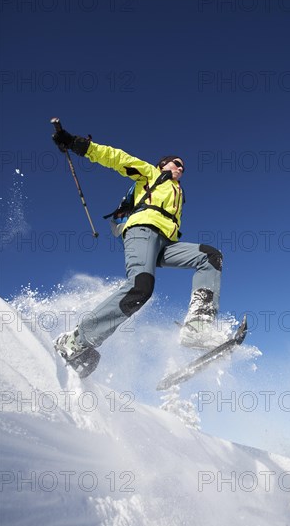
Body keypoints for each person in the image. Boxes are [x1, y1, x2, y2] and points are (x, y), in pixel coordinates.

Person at [52, 127, 223, 361]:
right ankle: (77, 340)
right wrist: (76, 144)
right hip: (142, 231)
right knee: (141, 288)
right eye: (176, 163)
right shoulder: (152, 174)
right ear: (162, 164)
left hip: (166, 244)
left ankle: (198, 326)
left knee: (210, 256)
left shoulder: (179, 193)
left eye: (183, 166)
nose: (181, 167)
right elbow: (117, 158)